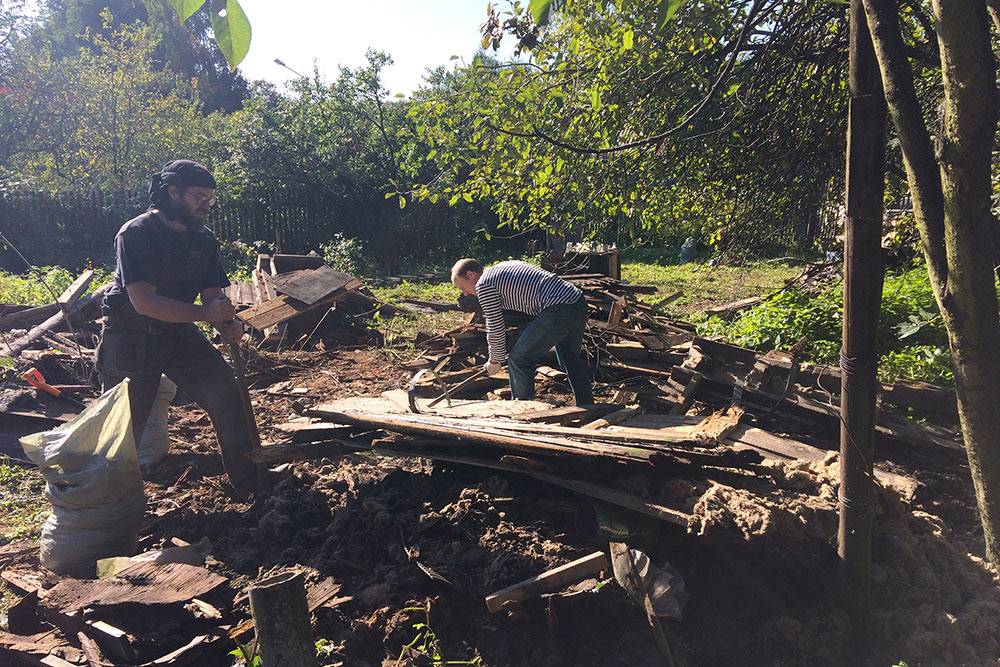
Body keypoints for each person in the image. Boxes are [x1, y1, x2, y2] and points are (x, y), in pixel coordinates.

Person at [95, 159, 258, 496]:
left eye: (210, 198)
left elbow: (213, 294)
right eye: (199, 196)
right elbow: (145, 303)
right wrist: (206, 315)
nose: (205, 204)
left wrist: (226, 322)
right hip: (132, 338)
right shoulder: (136, 234)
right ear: (172, 193)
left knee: (226, 392)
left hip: (178, 334)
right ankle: (105, 505)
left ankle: (251, 480)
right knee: (122, 425)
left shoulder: (204, 238)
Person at [451, 258, 594, 406]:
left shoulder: (483, 285)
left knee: (519, 359)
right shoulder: (500, 268)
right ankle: (587, 404)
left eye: (462, 287)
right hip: (576, 300)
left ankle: (523, 410)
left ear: (470, 275)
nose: (466, 293)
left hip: (557, 307)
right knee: (569, 358)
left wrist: (495, 360)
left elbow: (494, 325)